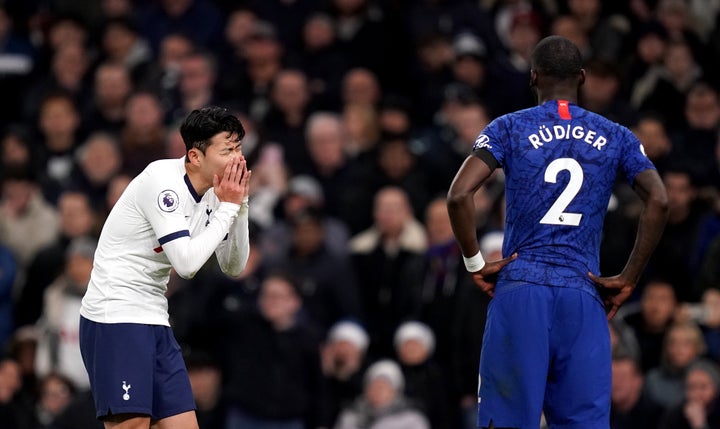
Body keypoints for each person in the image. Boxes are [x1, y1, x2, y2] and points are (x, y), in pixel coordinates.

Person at [446, 35, 669, 429]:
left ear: (533, 78)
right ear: (582, 78)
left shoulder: (508, 128)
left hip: (522, 288)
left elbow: (460, 194)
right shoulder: (616, 135)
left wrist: (475, 263)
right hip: (583, 296)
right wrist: (629, 276)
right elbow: (660, 200)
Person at [78, 106, 252, 429]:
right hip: (115, 315)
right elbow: (185, 264)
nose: (237, 159)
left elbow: (233, 265)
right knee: (132, 425)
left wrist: (239, 207)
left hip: (154, 318)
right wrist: (228, 206)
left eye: (239, 148)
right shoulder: (162, 183)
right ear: (196, 156)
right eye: (227, 150)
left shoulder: (219, 193)